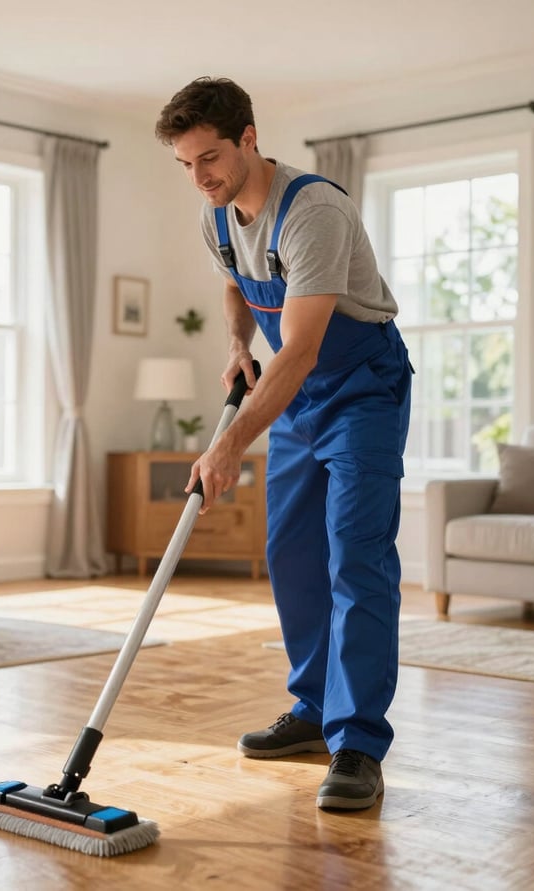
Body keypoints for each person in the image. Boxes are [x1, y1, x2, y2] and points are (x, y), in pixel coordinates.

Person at [155, 77, 412, 811]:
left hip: (361, 388)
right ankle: (311, 710)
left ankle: (358, 739)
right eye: (187, 165)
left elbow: (298, 350)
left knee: (356, 556)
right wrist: (237, 344)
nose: (200, 177)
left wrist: (231, 441)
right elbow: (237, 285)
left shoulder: (314, 212)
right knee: (292, 552)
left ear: (249, 138)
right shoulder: (217, 214)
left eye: (210, 158)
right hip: (297, 401)